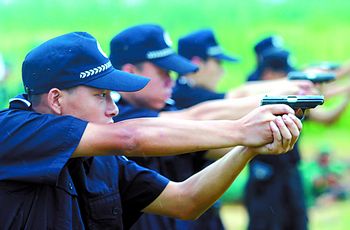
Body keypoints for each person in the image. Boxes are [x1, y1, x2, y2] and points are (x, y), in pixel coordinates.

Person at [0, 32, 301, 229]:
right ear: (56, 99)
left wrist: (247, 148)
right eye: (101, 95)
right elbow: (132, 137)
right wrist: (241, 130)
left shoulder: (105, 161)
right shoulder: (13, 130)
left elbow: (187, 200)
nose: (113, 108)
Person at [108, 24, 304, 230]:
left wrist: (257, 143)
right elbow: (197, 117)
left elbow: (210, 147)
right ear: (130, 72)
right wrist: (272, 103)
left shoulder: (165, 106)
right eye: (163, 72)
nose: (171, 81)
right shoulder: (117, 116)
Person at [244, 46, 349, 230]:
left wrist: (344, 95)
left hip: (290, 176)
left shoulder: (285, 97)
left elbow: (325, 115)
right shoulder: (252, 99)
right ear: (270, 74)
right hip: (266, 181)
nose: (289, 81)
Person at [173, 30, 312, 109]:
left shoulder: (187, 91)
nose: (222, 71)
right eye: (218, 63)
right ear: (197, 63)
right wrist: (297, 83)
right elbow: (241, 95)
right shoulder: (184, 95)